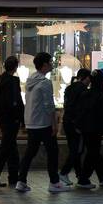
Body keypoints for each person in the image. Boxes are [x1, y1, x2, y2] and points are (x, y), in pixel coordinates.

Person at [15, 52, 64, 193]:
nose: (51, 65)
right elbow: (49, 105)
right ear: (44, 65)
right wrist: (54, 124)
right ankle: (54, 182)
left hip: (31, 122)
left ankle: (21, 181)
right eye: (50, 62)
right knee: (52, 152)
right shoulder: (45, 82)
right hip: (43, 123)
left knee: (30, 153)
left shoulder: (31, 79)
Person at [0, 56, 23, 187]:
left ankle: (13, 176)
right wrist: (21, 117)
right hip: (12, 118)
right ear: (15, 67)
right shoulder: (13, 81)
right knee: (6, 147)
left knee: (11, 147)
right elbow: (16, 101)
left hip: (1, 117)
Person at [77, 69, 103, 188]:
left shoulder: (85, 94)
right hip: (96, 129)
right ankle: (84, 179)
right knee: (94, 153)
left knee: (93, 152)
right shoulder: (102, 96)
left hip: (86, 128)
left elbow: (81, 112)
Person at [59, 68, 90, 185]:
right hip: (76, 124)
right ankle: (64, 173)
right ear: (85, 78)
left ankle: (79, 175)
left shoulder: (69, 88)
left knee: (75, 149)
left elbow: (67, 106)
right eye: (89, 79)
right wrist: (79, 124)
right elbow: (81, 110)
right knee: (77, 150)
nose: (89, 81)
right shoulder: (83, 90)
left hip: (67, 122)